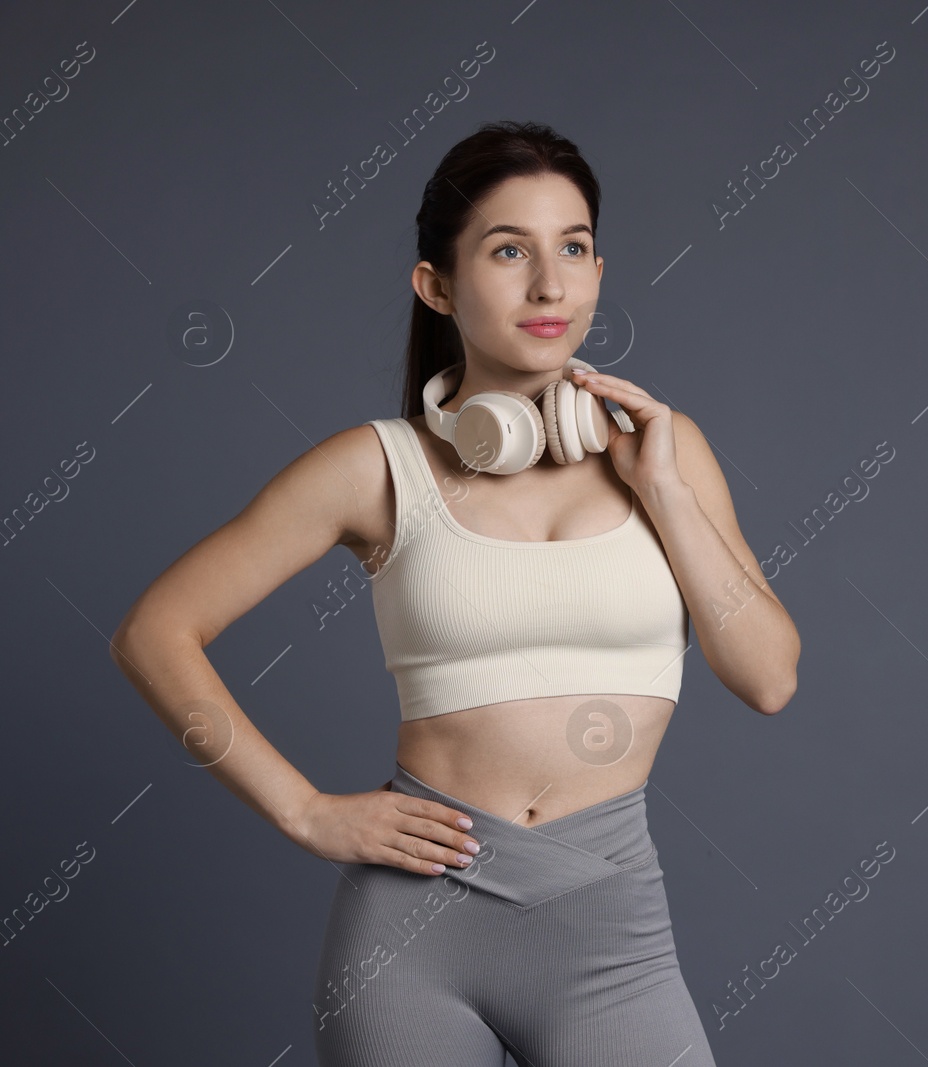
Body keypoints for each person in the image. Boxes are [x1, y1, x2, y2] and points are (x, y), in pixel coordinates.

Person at [109, 120, 800, 1066]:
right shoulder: (375, 469)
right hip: (411, 939)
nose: (550, 284)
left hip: (612, 933)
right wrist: (306, 809)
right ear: (438, 285)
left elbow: (768, 678)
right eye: (509, 250)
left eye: (574, 248)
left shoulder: (670, 459)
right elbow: (155, 631)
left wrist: (667, 496)